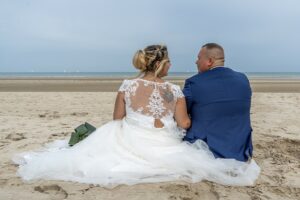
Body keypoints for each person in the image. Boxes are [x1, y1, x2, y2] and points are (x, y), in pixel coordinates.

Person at [13, 44, 260, 188]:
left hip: (130, 136)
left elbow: (117, 119)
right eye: (169, 62)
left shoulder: (127, 85)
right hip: (164, 142)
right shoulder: (174, 90)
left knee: (91, 156)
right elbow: (184, 123)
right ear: (162, 65)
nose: (172, 66)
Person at [183, 43, 254, 162]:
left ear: (209, 61)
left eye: (199, 58)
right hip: (241, 149)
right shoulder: (243, 79)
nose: (196, 62)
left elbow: (183, 112)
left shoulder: (194, 83)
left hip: (207, 150)